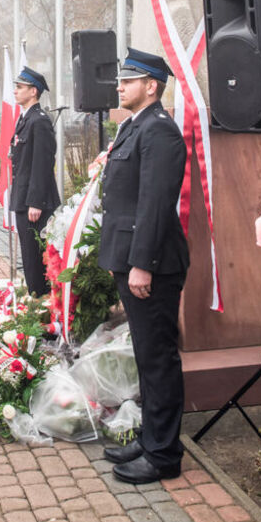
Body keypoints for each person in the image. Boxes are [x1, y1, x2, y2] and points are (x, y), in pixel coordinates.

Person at [98, 48, 188, 484]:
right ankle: (152, 437)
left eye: (128, 80)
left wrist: (142, 265)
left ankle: (164, 455)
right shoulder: (136, 126)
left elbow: (154, 205)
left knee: (158, 360)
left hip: (150, 263)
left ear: (150, 86)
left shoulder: (160, 132)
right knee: (146, 355)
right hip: (134, 258)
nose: (120, 85)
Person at [9, 68, 60, 296]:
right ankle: (37, 303)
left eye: (20, 87)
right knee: (30, 260)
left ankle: (44, 311)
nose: (15, 91)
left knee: (36, 262)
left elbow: (42, 164)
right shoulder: (26, 119)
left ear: (33, 91)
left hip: (34, 204)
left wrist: (36, 202)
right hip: (24, 199)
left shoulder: (38, 121)